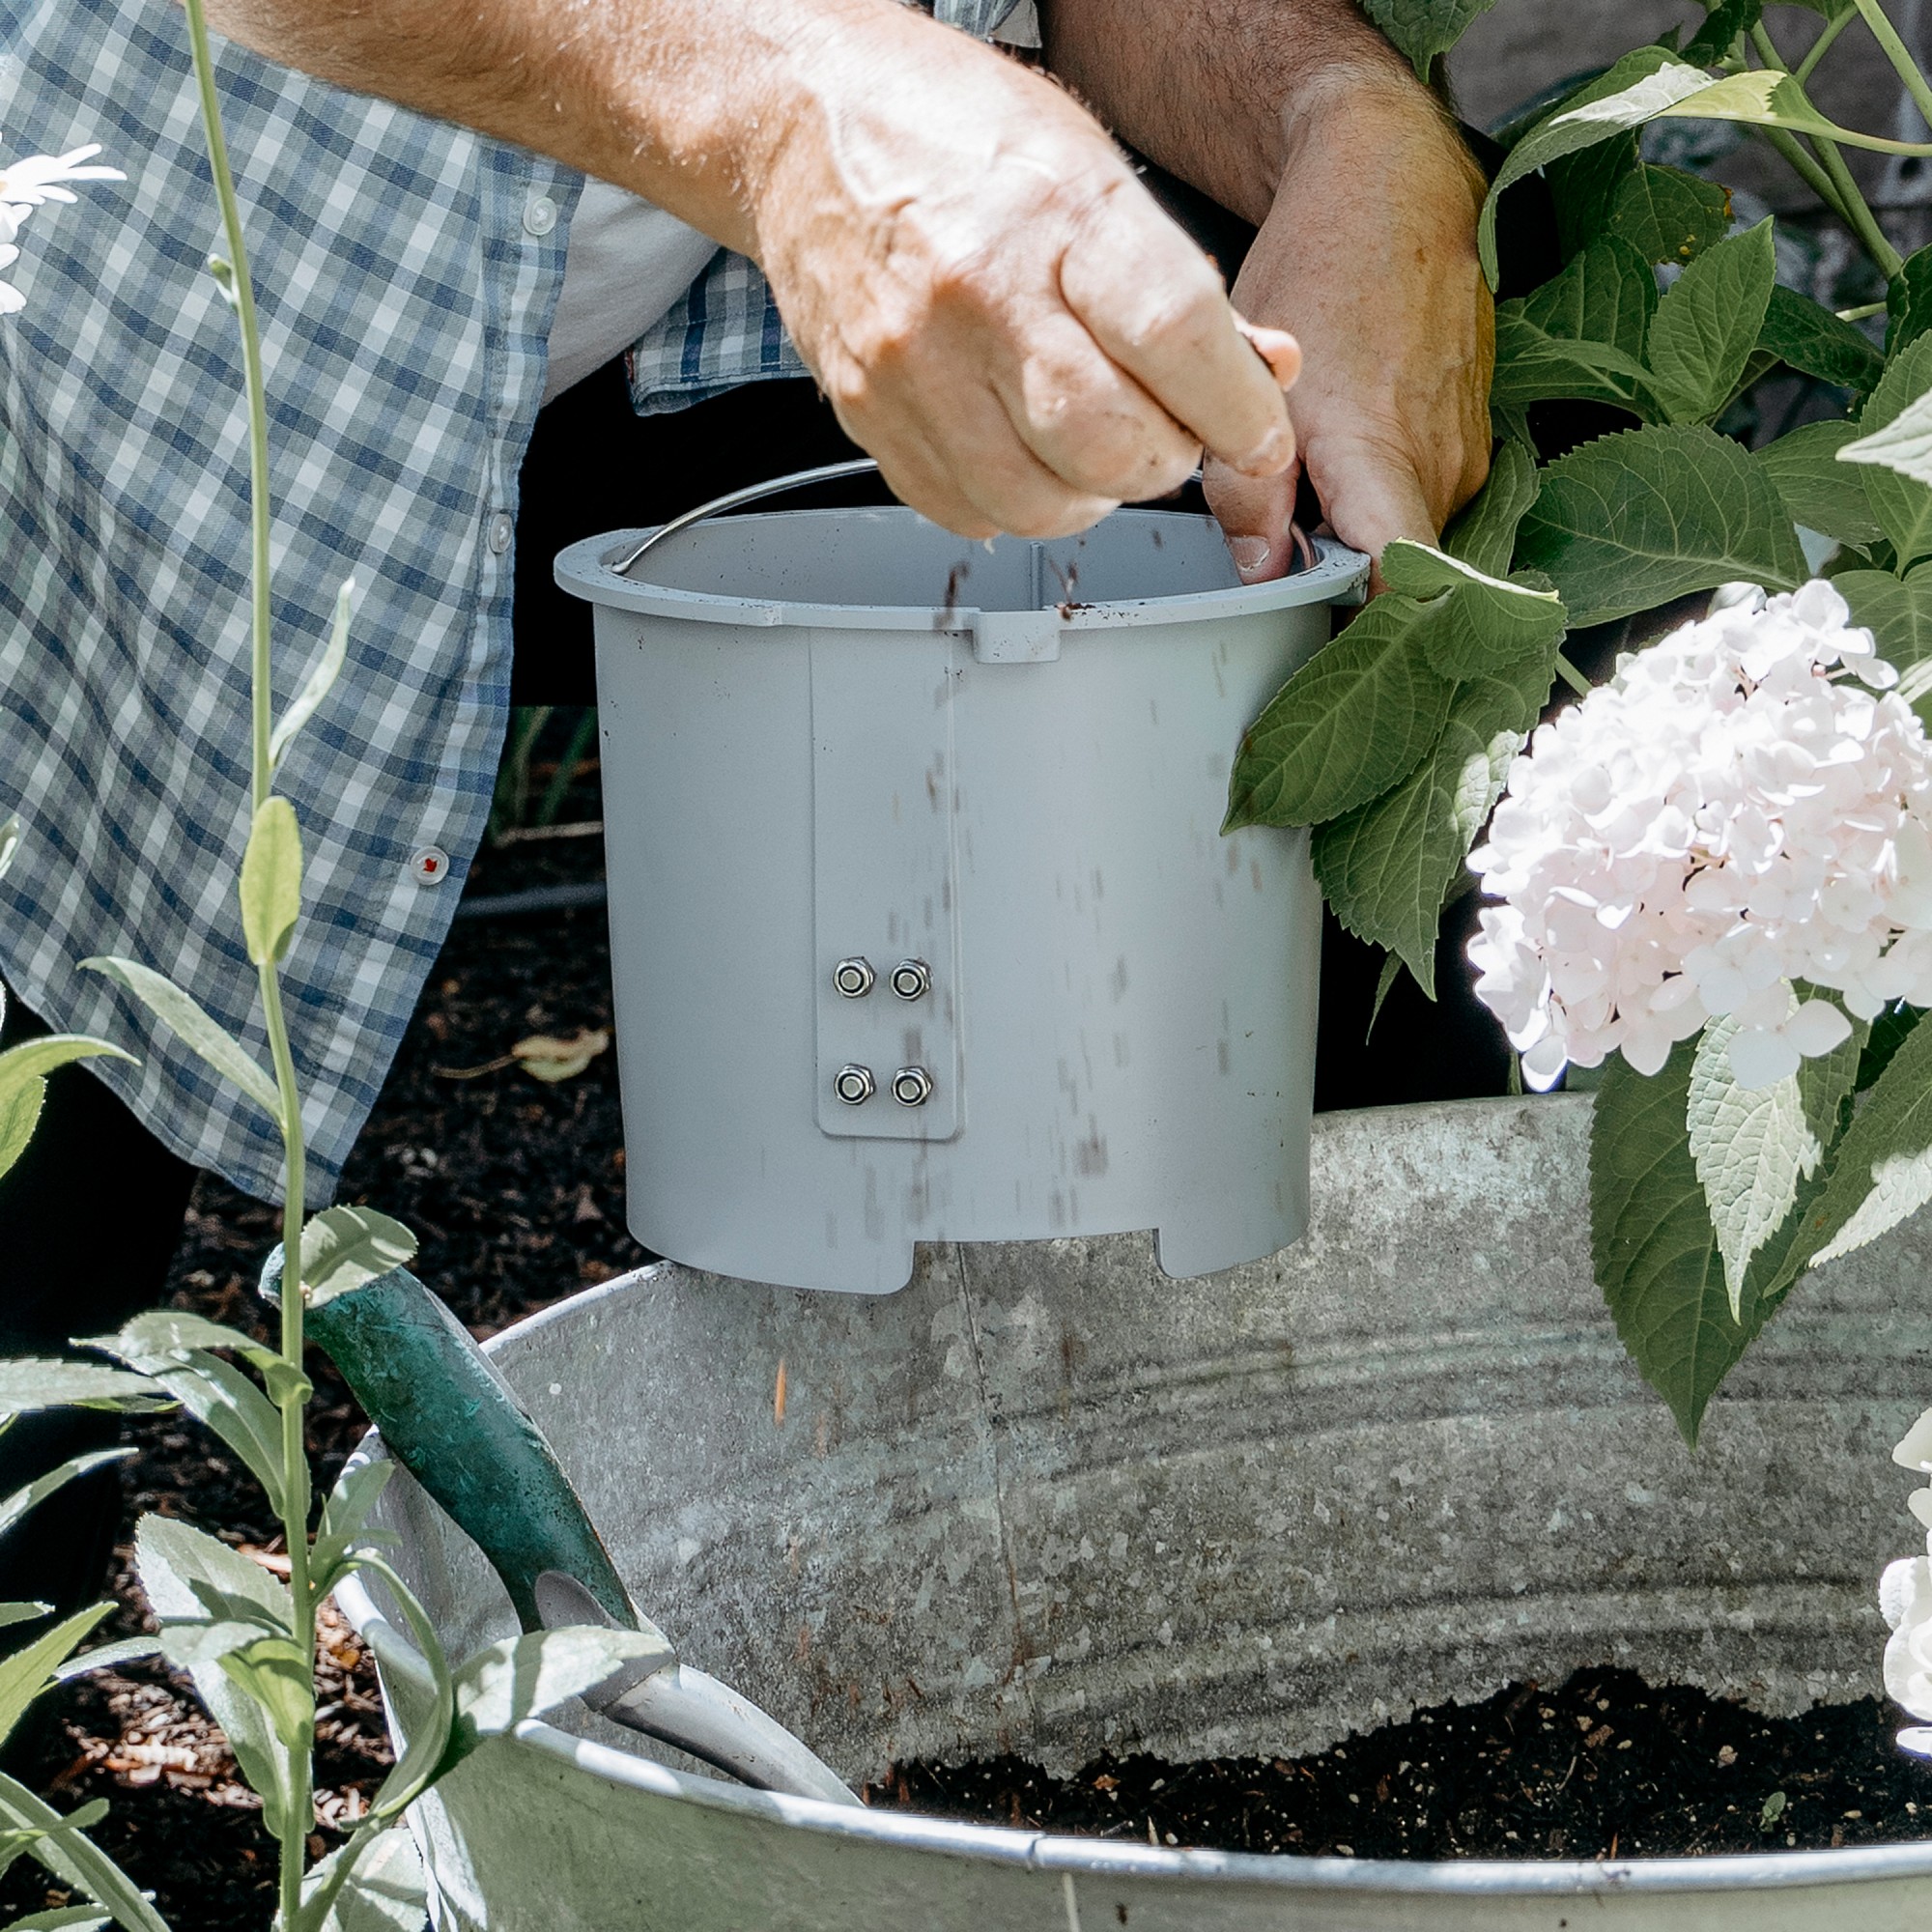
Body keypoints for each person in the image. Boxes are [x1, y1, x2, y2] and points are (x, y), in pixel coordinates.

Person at [0, 0, 1492, 1613]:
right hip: (168, 326)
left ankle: (1280, 1574)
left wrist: (1344, 123)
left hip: (786, 303)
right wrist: (791, 106)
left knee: (1431, 632)